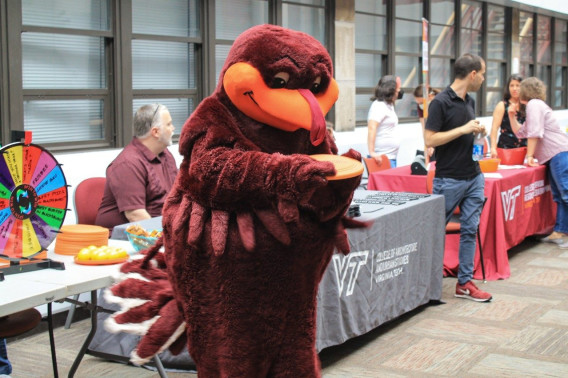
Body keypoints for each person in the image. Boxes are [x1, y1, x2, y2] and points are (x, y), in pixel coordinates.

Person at [424, 53, 492, 302]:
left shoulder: (469, 100)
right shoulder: (440, 102)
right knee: (435, 230)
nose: (484, 79)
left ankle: (464, 283)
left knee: (470, 230)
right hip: (448, 179)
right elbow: (430, 139)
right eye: (482, 74)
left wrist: (476, 130)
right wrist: (463, 129)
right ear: (472, 74)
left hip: (474, 176)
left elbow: (465, 133)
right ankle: (427, 283)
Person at [96, 104, 179, 230]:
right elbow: (136, 216)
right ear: (155, 132)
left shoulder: (166, 155)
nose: (173, 128)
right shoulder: (127, 164)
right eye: (169, 124)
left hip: (162, 231)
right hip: (125, 239)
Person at [507, 77, 568, 246]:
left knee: (565, 193)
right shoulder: (535, 106)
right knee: (560, 195)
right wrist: (512, 116)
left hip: (558, 154)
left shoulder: (534, 105)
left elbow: (534, 133)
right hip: (556, 155)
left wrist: (529, 157)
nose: (516, 91)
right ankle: (560, 232)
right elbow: (522, 132)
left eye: (520, 87)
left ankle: (562, 231)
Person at [367, 75, 402, 168]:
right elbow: (372, 127)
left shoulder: (388, 105)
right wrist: (372, 152)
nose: (399, 93)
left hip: (389, 157)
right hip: (381, 158)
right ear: (390, 90)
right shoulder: (379, 106)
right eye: (397, 90)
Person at [490, 74, 527, 158]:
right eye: (512, 85)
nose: (514, 89)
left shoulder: (527, 105)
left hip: (524, 150)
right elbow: (494, 128)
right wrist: (493, 147)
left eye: (518, 85)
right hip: (506, 149)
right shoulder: (502, 105)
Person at [413, 84, 440, 162]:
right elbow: (424, 127)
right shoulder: (420, 107)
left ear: (430, 96)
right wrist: (427, 144)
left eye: (421, 102)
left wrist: (432, 144)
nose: (420, 105)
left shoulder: (441, 103)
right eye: (418, 103)